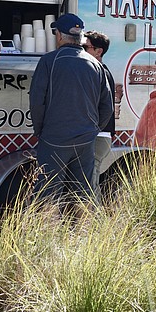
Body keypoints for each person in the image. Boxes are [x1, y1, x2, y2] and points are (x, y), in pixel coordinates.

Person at [29, 13, 113, 205]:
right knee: (83, 195)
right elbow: (107, 107)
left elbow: (36, 102)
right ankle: (85, 234)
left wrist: (41, 130)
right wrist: (92, 129)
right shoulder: (95, 64)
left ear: (59, 35)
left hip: (54, 138)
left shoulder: (49, 61)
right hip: (86, 139)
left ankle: (45, 233)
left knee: (47, 195)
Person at [84, 30, 115, 202]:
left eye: (85, 47)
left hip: (99, 135)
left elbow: (104, 107)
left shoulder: (98, 71)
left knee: (90, 182)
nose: (81, 50)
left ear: (98, 51)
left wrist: (93, 128)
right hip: (102, 134)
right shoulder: (102, 70)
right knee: (89, 179)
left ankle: (95, 222)